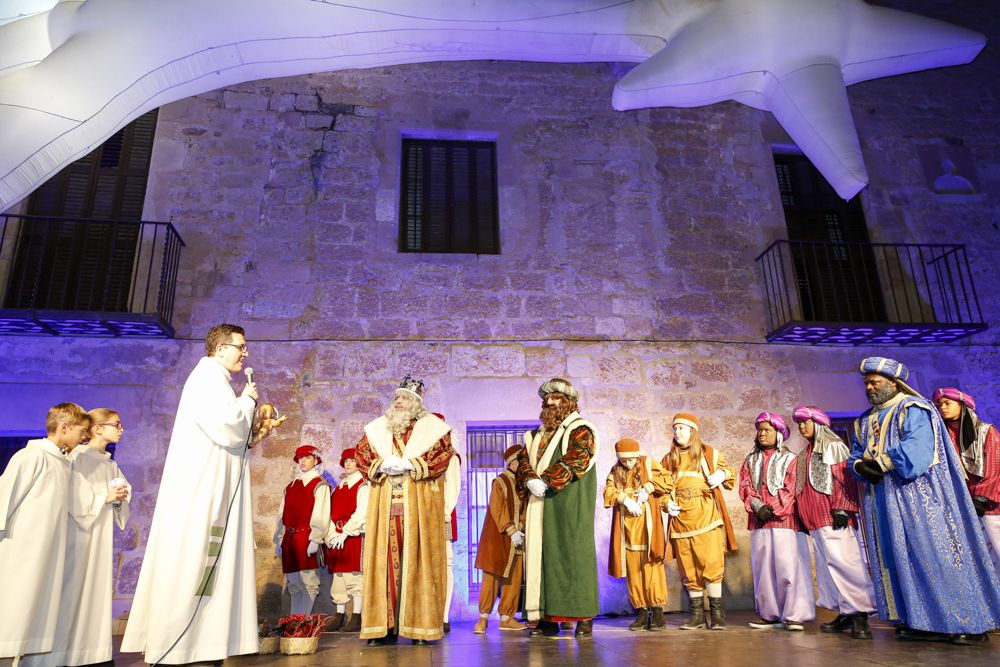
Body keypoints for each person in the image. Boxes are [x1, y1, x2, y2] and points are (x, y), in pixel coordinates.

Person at [121, 323, 262, 664]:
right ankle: (182, 642)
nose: (245, 352)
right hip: (203, 488)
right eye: (240, 346)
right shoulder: (207, 378)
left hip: (216, 483)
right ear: (220, 348)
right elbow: (228, 426)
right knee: (195, 556)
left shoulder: (216, 379)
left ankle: (206, 641)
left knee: (210, 558)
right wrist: (247, 400)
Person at [849, 358, 1000, 645]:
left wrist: (881, 463)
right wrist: (857, 466)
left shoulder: (914, 409)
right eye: (866, 382)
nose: (869, 387)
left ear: (893, 383)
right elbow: (855, 453)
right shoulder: (864, 420)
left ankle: (966, 622)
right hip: (881, 500)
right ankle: (920, 620)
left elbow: (917, 448)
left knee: (934, 555)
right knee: (899, 560)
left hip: (918, 497)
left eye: (875, 382)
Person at [353, 376, 455, 645]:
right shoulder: (376, 429)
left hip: (419, 509)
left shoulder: (434, 430)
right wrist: (381, 465)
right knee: (384, 568)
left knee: (419, 566)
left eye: (405, 398)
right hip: (384, 508)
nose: (399, 401)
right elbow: (362, 456)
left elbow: (442, 457)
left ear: (417, 404)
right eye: (396, 397)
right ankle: (383, 629)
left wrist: (413, 464)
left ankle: (418, 628)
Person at [0, 403, 89, 662]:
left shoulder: (63, 463)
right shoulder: (32, 457)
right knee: (14, 607)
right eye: (81, 431)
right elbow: (6, 494)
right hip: (22, 550)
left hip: (47, 550)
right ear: (63, 428)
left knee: (34, 612)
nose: (84, 437)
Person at [516, 377, 600, 638]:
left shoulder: (580, 430)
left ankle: (582, 617)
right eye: (547, 398)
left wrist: (548, 482)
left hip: (567, 505)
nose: (550, 402)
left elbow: (578, 458)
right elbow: (522, 459)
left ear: (569, 402)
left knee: (572, 555)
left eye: (557, 398)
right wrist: (530, 478)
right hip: (538, 503)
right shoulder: (534, 435)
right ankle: (546, 618)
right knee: (541, 559)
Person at [791, 406, 875, 640]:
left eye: (806, 422)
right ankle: (846, 612)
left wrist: (842, 507)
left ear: (819, 424)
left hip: (833, 517)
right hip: (816, 520)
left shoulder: (833, 446)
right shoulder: (805, 453)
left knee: (846, 565)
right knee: (828, 568)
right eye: (800, 423)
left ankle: (860, 614)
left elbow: (846, 478)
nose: (802, 427)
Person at [660, 412, 737, 631]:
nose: (677, 432)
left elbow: (729, 472)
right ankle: (697, 616)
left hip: (705, 517)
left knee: (711, 564)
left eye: (681, 428)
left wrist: (722, 475)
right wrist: (666, 503)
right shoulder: (668, 459)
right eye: (674, 429)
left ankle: (717, 615)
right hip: (680, 521)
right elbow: (661, 488)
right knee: (688, 569)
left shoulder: (708, 454)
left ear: (692, 431)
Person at [739, 412, 814, 631]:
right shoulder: (750, 460)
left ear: (779, 434)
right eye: (760, 430)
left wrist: (772, 508)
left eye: (767, 430)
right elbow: (745, 487)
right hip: (759, 522)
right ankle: (769, 613)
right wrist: (757, 506)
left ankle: (794, 615)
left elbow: (791, 488)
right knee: (764, 570)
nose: (762, 434)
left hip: (785, 522)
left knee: (788, 567)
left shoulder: (790, 459)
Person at [604, 438, 672, 632]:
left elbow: (668, 479)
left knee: (651, 567)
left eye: (631, 459)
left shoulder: (648, 463)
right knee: (634, 570)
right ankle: (642, 611)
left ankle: (657, 611)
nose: (628, 463)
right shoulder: (615, 471)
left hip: (648, 527)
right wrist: (624, 499)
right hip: (628, 529)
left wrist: (649, 487)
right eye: (624, 460)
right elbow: (608, 491)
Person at [933, 387, 1000, 572]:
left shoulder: (986, 432)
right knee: (984, 557)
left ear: (962, 405)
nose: (943, 408)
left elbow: (993, 467)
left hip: (991, 504)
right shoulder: (944, 438)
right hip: (964, 504)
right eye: (940, 405)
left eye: (947, 403)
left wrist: (981, 497)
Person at [473, 445, 527, 634]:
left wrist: (522, 528)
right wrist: (511, 529)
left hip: (518, 538)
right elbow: (498, 508)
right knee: (492, 576)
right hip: (499, 537)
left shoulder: (523, 483)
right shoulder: (500, 481)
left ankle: (507, 618)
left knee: (514, 576)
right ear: (512, 462)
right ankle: (482, 619)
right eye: (521, 462)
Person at [274, 444, 331, 616]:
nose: (302, 461)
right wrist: (279, 539)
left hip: (307, 537)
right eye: (300, 459)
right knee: (293, 582)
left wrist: (316, 538)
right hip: (290, 539)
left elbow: (321, 513)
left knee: (308, 581)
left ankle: (303, 622)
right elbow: (282, 514)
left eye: (306, 458)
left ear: (315, 460)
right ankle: (295, 621)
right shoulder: (290, 486)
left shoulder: (319, 485)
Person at [325, 447, 369, 633]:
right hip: (337, 536)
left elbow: (361, 513)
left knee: (354, 576)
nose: (349, 463)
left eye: (352, 460)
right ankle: (340, 615)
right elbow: (329, 512)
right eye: (346, 461)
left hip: (354, 536)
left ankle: (357, 616)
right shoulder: (339, 487)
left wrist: (346, 532)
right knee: (339, 577)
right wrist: (333, 534)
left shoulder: (363, 486)